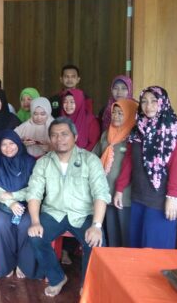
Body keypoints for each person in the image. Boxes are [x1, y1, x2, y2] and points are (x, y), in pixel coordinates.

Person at [27, 117, 110, 297]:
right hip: (54, 213)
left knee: (97, 242)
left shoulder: (90, 160)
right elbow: (34, 193)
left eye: (64, 134)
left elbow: (101, 193)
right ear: (50, 139)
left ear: (75, 136)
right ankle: (57, 278)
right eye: (54, 135)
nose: (59, 139)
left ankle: (87, 284)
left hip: (83, 214)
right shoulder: (44, 162)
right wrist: (35, 222)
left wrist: (96, 226)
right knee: (35, 237)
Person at [114, 86, 177, 249]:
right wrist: (120, 188)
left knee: (155, 249)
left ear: (163, 103)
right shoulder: (137, 130)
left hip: (162, 200)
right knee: (136, 245)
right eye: (144, 101)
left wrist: (172, 197)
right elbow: (129, 161)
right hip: (138, 197)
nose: (148, 106)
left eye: (154, 101)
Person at [0, 130, 37, 279]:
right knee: (0, 223)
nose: (8, 147)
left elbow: (35, 188)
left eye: (12, 143)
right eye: (4, 144)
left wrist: (15, 196)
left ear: (18, 144)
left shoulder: (30, 162)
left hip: (28, 202)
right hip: (1, 202)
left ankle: (23, 264)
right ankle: (6, 264)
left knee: (27, 223)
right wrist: (11, 202)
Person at [92, 99, 138, 247]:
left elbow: (133, 166)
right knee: (111, 232)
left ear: (130, 115)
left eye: (121, 113)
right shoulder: (107, 134)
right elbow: (94, 157)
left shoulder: (133, 137)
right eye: (114, 112)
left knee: (125, 233)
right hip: (106, 191)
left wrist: (121, 190)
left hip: (125, 194)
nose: (116, 116)